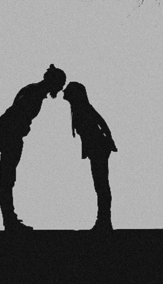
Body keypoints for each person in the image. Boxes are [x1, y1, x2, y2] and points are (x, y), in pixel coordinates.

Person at [0, 64, 67, 231]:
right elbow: (14, 111)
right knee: (7, 179)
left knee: (8, 178)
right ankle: (9, 221)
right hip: (11, 136)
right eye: (60, 85)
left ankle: (9, 219)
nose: (61, 89)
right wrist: (8, 128)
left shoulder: (33, 90)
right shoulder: (35, 93)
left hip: (9, 134)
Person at [62, 81, 117, 231]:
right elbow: (101, 122)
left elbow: (101, 123)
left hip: (98, 148)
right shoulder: (80, 107)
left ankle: (104, 220)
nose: (63, 91)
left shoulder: (82, 108)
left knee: (101, 185)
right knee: (100, 184)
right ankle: (104, 220)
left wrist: (108, 139)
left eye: (67, 90)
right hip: (97, 149)